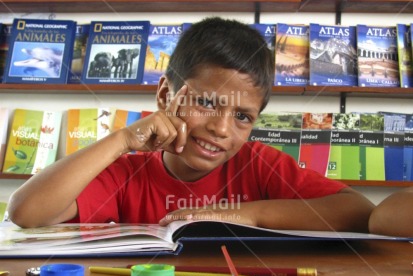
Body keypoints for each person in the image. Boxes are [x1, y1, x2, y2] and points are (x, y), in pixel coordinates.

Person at [7, 17, 374, 231]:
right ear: (166, 95)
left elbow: (359, 211)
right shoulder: (126, 171)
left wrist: (242, 215)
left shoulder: (259, 164)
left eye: (242, 117)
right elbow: (25, 212)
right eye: (206, 102)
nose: (221, 129)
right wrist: (121, 139)